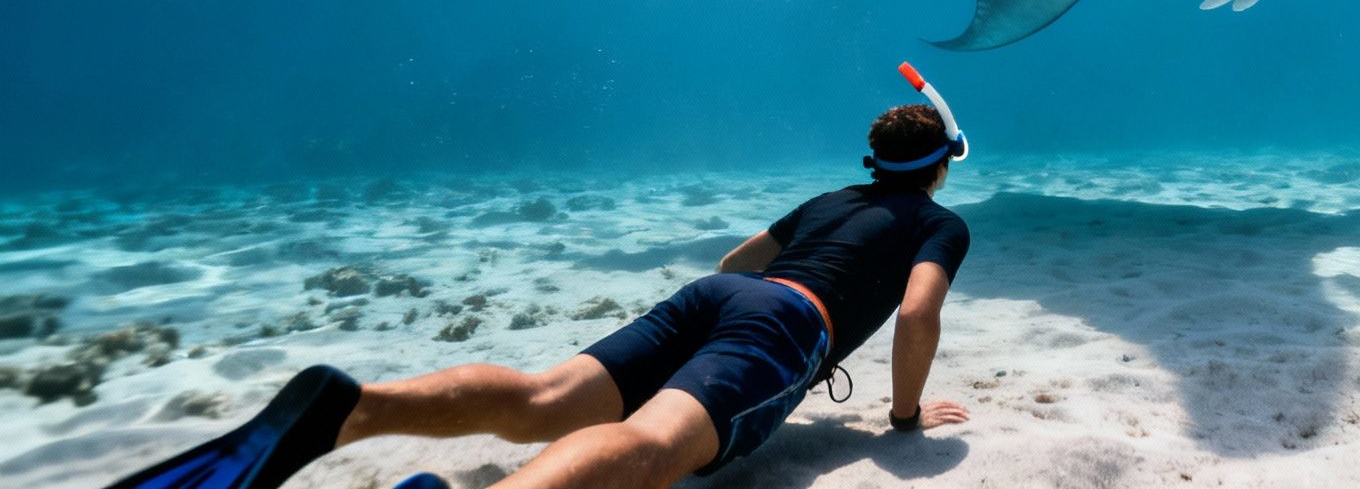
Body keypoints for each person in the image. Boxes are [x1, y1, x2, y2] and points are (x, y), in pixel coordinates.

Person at [105, 101, 972, 489]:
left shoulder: (829, 200)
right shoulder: (937, 223)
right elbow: (918, 314)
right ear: (941, 165)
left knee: (541, 400)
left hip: (711, 301)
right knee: (649, 448)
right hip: (786, 325)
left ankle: (349, 408)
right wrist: (901, 418)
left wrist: (718, 331)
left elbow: (734, 258)